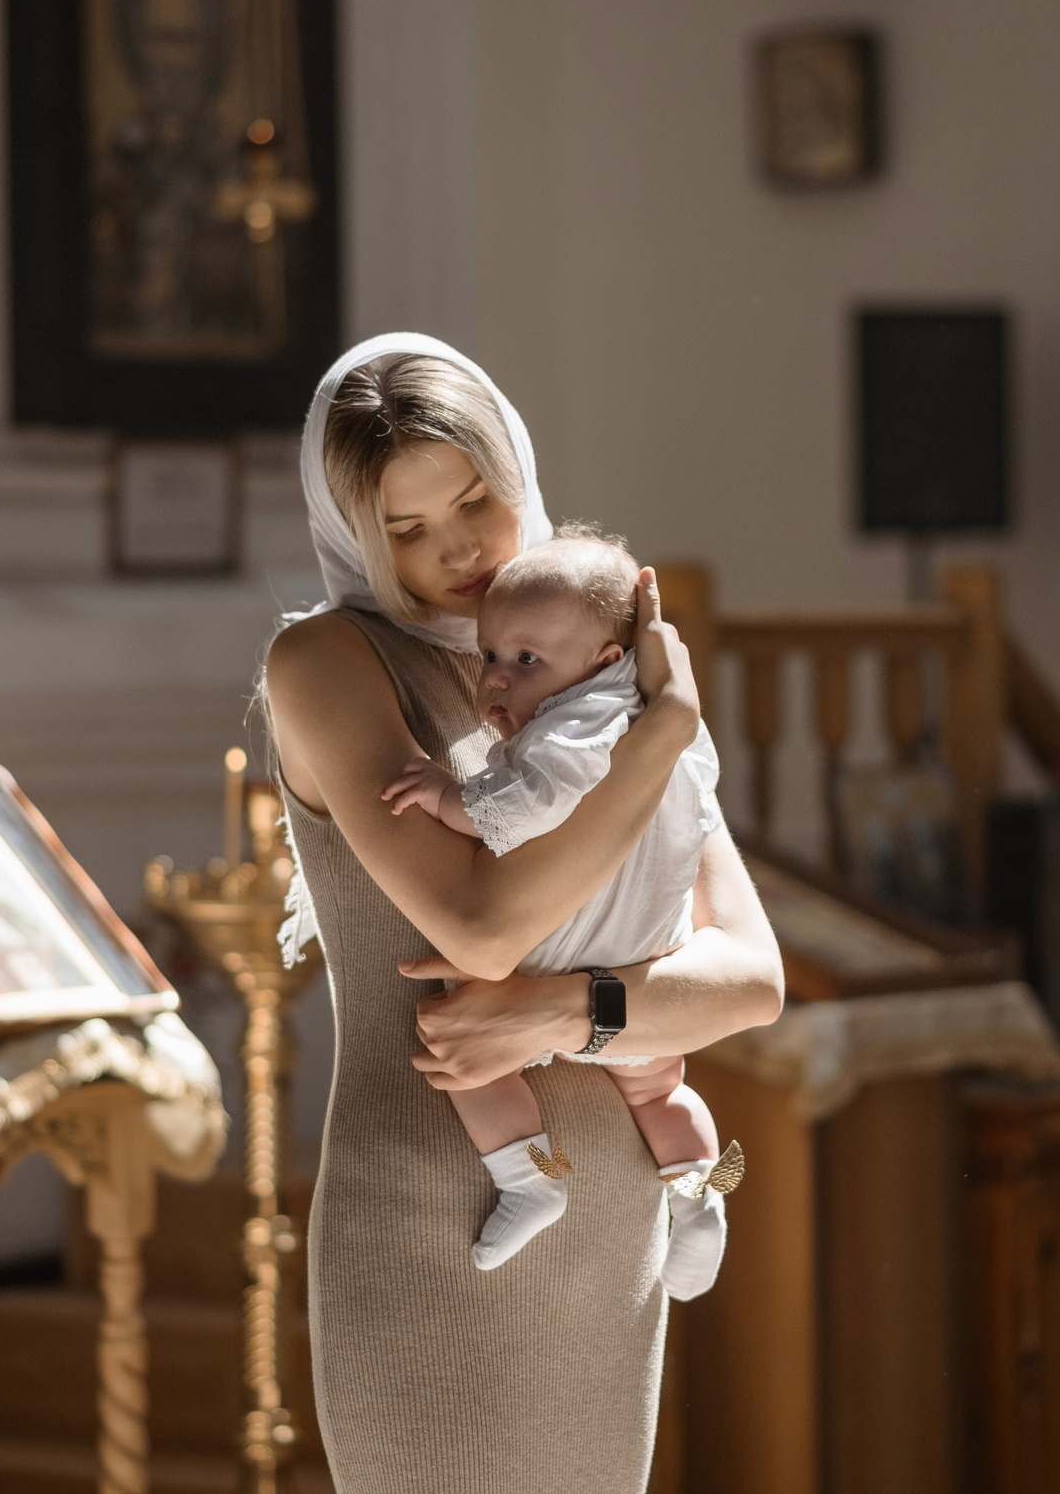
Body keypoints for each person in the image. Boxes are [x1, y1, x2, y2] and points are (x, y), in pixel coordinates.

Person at [260, 335, 784, 1493]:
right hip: (429, 1225)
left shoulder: (589, 667)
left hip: (611, 1236)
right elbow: (481, 933)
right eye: (403, 528)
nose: (455, 549)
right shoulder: (328, 664)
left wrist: (561, 1019)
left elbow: (750, 978)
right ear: (354, 530)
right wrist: (657, 740)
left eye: (475, 500)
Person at [381, 528, 738, 1289]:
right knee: (663, 1092)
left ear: (606, 663)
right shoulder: (654, 719)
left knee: (460, 1029)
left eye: (527, 660)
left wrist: (449, 794)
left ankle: (530, 1178)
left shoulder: (580, 724)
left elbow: (526, 805)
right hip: (645, 974)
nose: (498, 681)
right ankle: (700, 1199)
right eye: (490, 657)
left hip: (563, 954)